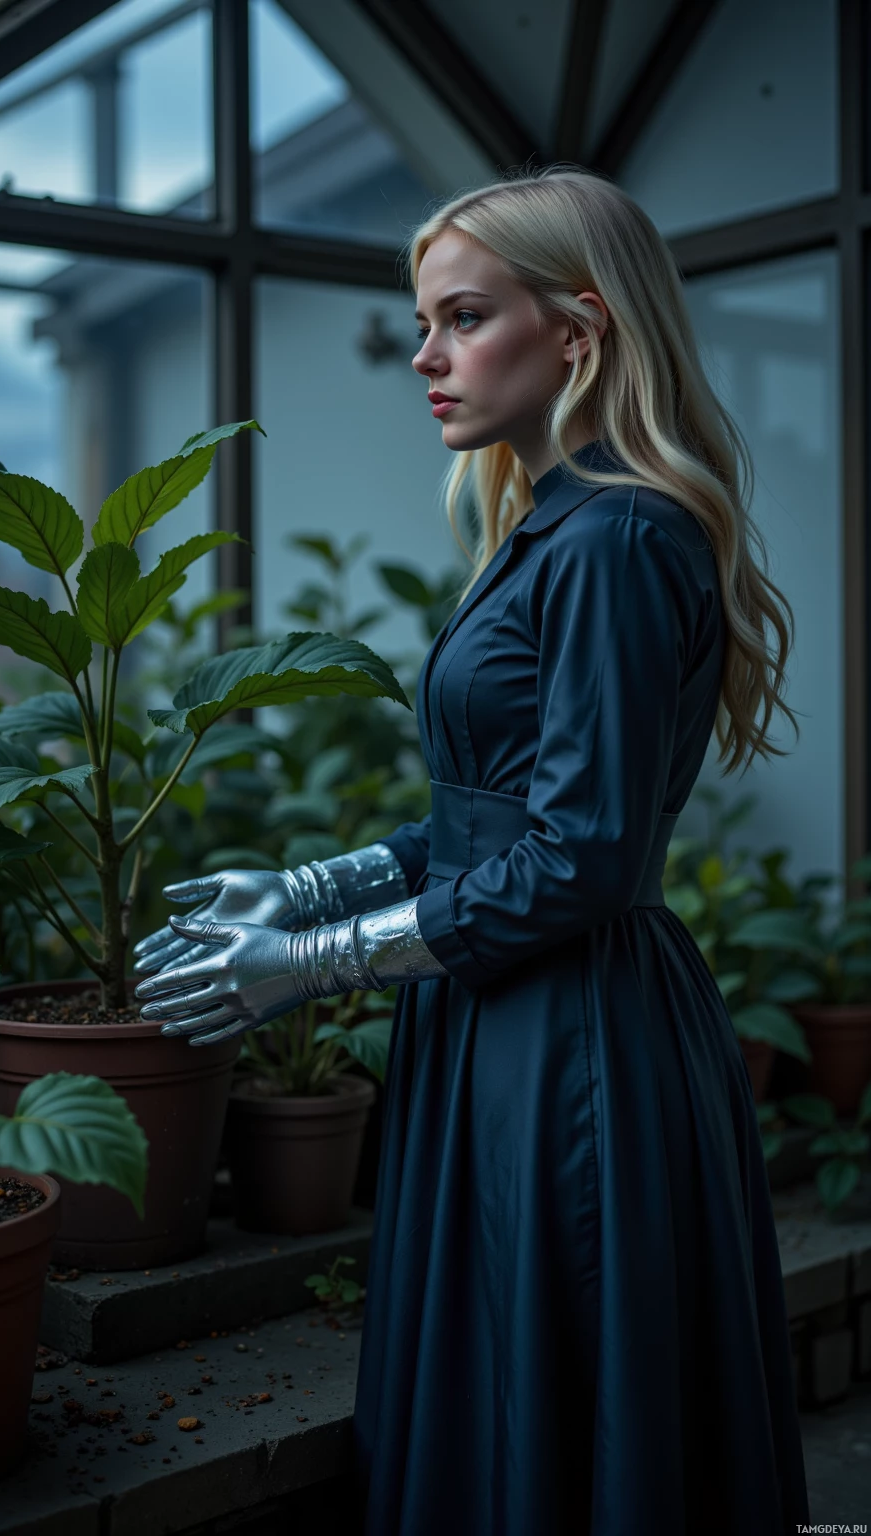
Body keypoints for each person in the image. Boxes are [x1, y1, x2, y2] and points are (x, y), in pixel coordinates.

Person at [133, 166, 810, 1535]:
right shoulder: (554, 524)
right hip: (507, 1013)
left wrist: (310, 963)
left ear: (581, 328)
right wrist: (313, 887)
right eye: (425, 322)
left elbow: (583, 860)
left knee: (552, 1405)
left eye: (463, 317)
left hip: (569, 1040)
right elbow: (485, 821)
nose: (428, 358)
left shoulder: (615, 536)